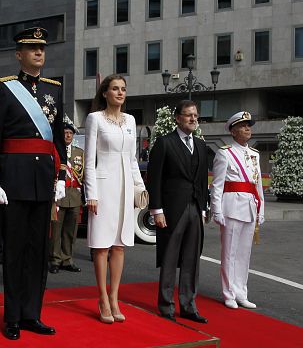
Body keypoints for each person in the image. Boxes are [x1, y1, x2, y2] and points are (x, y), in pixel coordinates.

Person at [0, 26, 67, 340]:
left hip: (43, 179)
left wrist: (61, 175)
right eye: (32, 49)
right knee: (15, 251)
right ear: (20, 54)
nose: (39, 53)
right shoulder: (4, 89)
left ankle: (33, 314)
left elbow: (58, 138)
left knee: (38, 251)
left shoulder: (54, 89)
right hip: (13, 179)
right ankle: (13, 317)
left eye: (42, 48)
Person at [83, 75, 145, 323]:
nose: (120, 93)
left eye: (123, 89)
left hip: (125, 187)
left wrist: (139, 187)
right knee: (101, 246)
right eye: (115, 89)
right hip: (103, 186)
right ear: (105, 93)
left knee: (119, 245)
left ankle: (115, 297)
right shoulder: (95, 119)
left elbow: (132, 159)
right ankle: (102, 298)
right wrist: (91, 193)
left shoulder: (130, 120)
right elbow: (89, 160)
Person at [145, 100, 209, 323]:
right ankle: (166, 306)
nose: (193, 119)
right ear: (177, 118)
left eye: (196, 115)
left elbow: (202, 181)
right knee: (170, 258)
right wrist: (156, 210)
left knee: (192, 258)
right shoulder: (164, 143)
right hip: (171, 209)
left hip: (195, 207)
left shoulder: (201, 145)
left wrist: (203, 208)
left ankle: (189, 305)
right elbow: (154, 179)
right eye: (188, 115)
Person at [210, 111, 265, 310]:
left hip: (250, 206)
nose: (248, 128)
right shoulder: (224, 153)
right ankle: (229, 293)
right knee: (229, 253)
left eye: (249, 125)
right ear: (233, 131)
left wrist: (261, 209)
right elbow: (217, 185)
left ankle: (242, 293)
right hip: (231, 207)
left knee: (244, 254)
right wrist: (216, 210)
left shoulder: (254, 155)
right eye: (243, 125)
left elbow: (257, 185)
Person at [50, 116, 85, 275]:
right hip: (59, 195)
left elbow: (83, 176)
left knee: (71, 231)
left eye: (70, 133)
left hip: (74, 196)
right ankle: (55, 259)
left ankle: (67, 259)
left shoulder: (80, 153)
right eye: (65, 132)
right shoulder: (54, 151)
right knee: (56, 231)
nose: (68, 135)